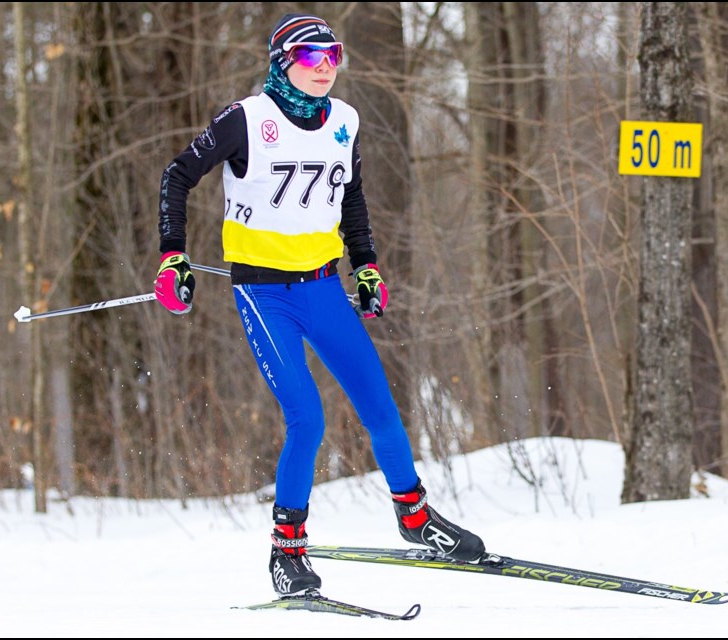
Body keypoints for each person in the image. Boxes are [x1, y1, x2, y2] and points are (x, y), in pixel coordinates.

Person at [153, 13, 485, 597]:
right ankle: (287, 550)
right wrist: (172, 257)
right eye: (310, 58)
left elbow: (351, 197)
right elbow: (177, 176)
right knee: (307, 419)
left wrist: (367, 265)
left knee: (380, 407)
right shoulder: (247, 120)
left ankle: (415, 518)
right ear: (282, 63)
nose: (325, 67)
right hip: (264, 295)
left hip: (324, 289)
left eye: (333, 55)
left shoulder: (346, 122)